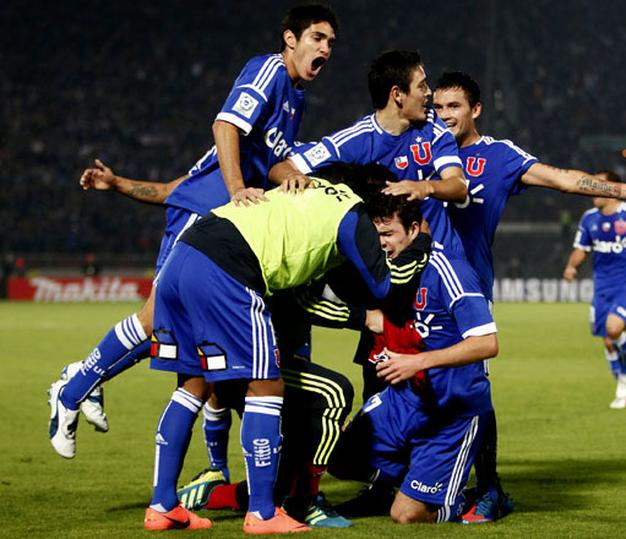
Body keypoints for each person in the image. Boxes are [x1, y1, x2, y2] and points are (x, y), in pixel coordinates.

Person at [47, 4, 339, 459]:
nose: (324, 48)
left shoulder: (294, 100)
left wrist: (294, 178)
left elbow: (183, 183)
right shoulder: (268, 71)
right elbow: (224, 124)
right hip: (202, 215)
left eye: (330, 43)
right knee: (153, 319)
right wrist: (240, 188)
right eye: (316, 37)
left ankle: (83, 378)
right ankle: (71, 388)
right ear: (290, 39)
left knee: (172, 331)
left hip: (216, 222)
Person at [433, 71, 626, 522]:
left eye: (454, 107)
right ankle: (400, 481)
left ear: (475, 109)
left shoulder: (497, 156)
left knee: (471, 389)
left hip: (466, 287)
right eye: (438, 107)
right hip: (410, 286)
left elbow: (563, 179)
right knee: (398, 378)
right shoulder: (420, 147)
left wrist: (622, 190)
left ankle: (490, 487)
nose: (444, 117)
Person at [144, 164, 397, 533]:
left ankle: (163, 504)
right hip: (229, 270)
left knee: (193, 385)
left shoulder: (297, 194)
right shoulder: (351, 209)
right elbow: (382, 285)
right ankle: (263, 512)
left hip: (184, 255)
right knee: (266, 386)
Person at [327, 194, 499, 524]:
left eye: (388, 233)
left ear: (414, 229)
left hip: (451, 411)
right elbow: (379, 319)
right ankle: (407, 480)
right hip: (403, 402)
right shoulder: (389, 271)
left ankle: (462, 496)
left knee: (407, 515)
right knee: (336, 457)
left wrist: (417, 362)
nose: (380, 243)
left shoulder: (449, 271)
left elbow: (487, 343)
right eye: (374, 235)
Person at [271, 49, 468, 253]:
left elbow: (459, 187)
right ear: (397, 95)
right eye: (421, 86)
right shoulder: (356, 141)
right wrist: (295, 177)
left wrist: (424, 188)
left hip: (439, 254)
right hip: (387, 260)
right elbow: (282, 167)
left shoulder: (433, 125)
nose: (428, 93)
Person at [562, 171, 626, 409]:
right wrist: (571, 266)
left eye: (599, 184)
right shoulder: (589, 219)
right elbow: (581, 248)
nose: (593, 189)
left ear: (613, 188)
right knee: (608, 341)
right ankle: (623, 384)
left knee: (613, 328)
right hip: (602, 287)